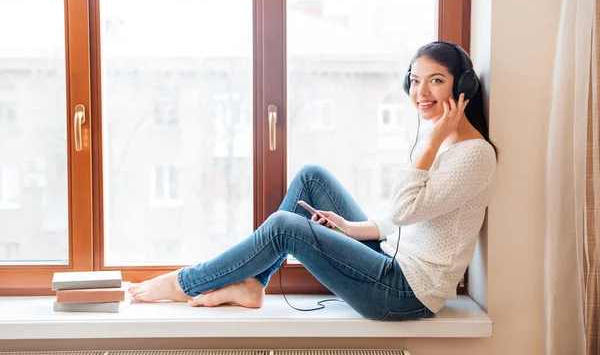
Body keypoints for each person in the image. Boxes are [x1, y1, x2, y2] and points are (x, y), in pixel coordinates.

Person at [128, 41, 498, 321]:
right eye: (415, 81)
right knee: (312, 177)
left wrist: (430, 143)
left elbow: (406, 211)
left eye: (436, 81)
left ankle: (185, 282)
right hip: (391, 260)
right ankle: (253, 285)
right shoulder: (440, 142)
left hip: (404, 292)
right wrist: (352, 229)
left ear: (463, 88)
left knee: (283, 228)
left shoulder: (473, 155)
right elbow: (411, 221)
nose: (421, 93)